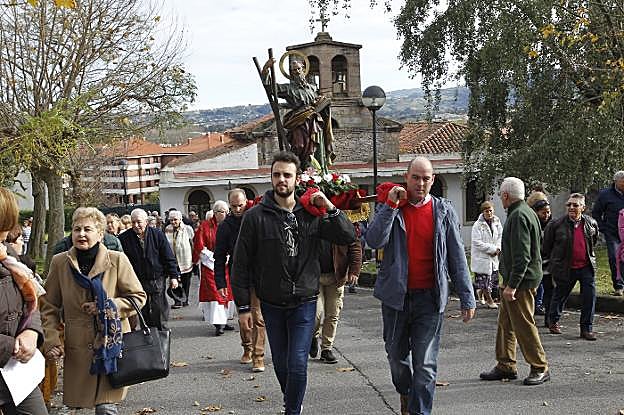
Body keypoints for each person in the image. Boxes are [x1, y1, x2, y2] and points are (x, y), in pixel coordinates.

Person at [232, 151, 355, 415]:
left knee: (298, 362)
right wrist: (243, 307)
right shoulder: (255, 217)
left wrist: (330, 207)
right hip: (272, 302)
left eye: (287, 175)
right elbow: (240, 263)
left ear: (297, 179)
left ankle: (292, 410)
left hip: (305, 300)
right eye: (276, 174)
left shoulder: (311, 213)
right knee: (282, 365)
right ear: (271, 177)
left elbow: (346, 235)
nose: (281, 180)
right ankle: (293, 401)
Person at [364, 157, 475, 415]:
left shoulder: (443, 210)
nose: (421, 183)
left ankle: (418, 411)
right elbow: (374, 240)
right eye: (416, 177)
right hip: (396, 299)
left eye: (426, 178)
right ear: (406, 177)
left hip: (430, 299)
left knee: (425, 365)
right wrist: (391, 205)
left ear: (433, 180)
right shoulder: (392, 207)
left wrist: (468, 297)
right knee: (396, 360)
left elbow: (457, 256)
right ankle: (405, 392)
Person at [40, 207, 146, 415]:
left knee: (106, 408)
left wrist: (107, 306)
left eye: (87, 229)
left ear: (100, 233)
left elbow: (138, 297)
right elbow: (48, 306)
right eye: (77, 229)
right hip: (78, 348)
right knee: (78, 406)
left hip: (112, 345)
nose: (81, 234)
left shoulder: (117, 260)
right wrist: (51, 340)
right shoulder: (60, 262)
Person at [480, 177, 550, 386]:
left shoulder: (518, 216)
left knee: (523, 325)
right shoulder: (525, 212)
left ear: (506, 195)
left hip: (520, 282)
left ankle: (540, 367)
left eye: (501, 194)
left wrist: (512, 285)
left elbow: (522, 256)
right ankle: (506, 365)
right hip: (521, 279)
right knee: (505, 324)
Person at [0, 188, 47, 415]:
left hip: (15, 375)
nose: (5, 236)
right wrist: (12, 346)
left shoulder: (8, 256)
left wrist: (31, 332)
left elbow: (30, 301)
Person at [215, 189, 265, 371]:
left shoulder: (256, 218)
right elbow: (219, 256)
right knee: (244, 320)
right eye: (233, 206)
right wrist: (220, 282)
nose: (237, 209)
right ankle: (247, 347)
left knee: (258, 317)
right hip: (239, 276)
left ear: (247, 202)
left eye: (240, 205)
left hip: (258, 275)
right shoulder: (225, 227)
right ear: (229, 205)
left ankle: (258, 357)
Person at [543, 193, 599, 340]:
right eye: (569, 205)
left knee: (589, 297)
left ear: (583, 208)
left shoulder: (591, 223)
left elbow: (594, 241)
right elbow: (547, 247)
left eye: (575, 205)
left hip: (586, 267)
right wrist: (554, 264)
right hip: (565, 267)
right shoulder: (555, 225)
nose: (571, 207)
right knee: (560, 295)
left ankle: (586, 329)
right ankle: (553, 320)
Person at [261, 57, 334, 169]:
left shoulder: (312, 88)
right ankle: (298, 169)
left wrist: (323, 102)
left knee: (314, 148)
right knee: (299, 146)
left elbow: (317, 102)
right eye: (294, 70)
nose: (297, 71)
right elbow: (270, 88)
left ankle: (312, 170)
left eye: (298, 69)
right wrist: (266, 69)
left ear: (303, 69)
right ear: (291, 73)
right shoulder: (288, 88)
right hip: (298, 121)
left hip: (313, 121)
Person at [118, 208, 179, 330]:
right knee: (143, 309)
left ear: (146, 221)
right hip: (137, 279)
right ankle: (148, 335)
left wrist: (174, 276)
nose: (136, 225)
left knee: (159, 307)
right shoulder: (124, 238)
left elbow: (168, 256)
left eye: (139, 222)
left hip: (156, 277)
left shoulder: (157, 234)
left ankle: (161, 334)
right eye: (133, 222)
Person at [310, 234, 362, 364]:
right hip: (314, 277)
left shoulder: (341, 221)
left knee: (333, 314)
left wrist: (354, 271)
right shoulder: (312, 219)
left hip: (336, 277)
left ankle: (326, 349)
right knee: (316, 313)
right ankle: (312, 336)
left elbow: (354, 246)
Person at [193, 202, 235, 336]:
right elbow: (200, 246)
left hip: (227, 265)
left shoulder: (230, 225)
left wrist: (229, 256)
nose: (225, 214)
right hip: (210, 265)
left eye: (226, 212)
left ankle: (225, 320)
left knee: (227, 294)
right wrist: (214, 258)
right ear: (215, 213)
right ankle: (218, 324)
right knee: (216, 296)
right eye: (222, 212)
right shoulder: (205, 226)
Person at [591, 171, 624, 296]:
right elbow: (596, 213)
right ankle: (618, 286)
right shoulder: (605, 195)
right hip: (612, 233)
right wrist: (603, 228)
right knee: (614, 258)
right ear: (616, 181)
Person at [470, 200, 502, 309]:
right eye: (487, 211)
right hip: (482, 257)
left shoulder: (497, 222)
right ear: (483, 212)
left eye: (491, 211)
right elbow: (477, 242)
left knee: (492, 280)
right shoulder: (477, 225)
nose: (489, 213)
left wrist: (497, 249)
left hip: (494, 257)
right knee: (484, 281)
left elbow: (500, 237)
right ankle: (489, 300)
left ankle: (481, 294)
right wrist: (492, 249)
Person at [527, 191, 553, 323]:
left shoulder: (552, 225)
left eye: (548, 211)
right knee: (532, 292)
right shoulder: (530, 224)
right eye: (543, 212)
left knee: (550, 291)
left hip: (549, 264)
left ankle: (550, 319)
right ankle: (529, 317)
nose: (546, 214)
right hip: (534, 264)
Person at [165, 210, 194, 308]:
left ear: (180, 219)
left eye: (175, 220)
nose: (173, 222)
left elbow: (192, 243)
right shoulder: (167, 229)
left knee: (186, 281)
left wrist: (194, 258)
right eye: (171, 220)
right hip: (172, 260)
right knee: (174, 281)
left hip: (185, 259)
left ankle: (184, 300)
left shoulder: (187, 229)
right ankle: (177, 300)